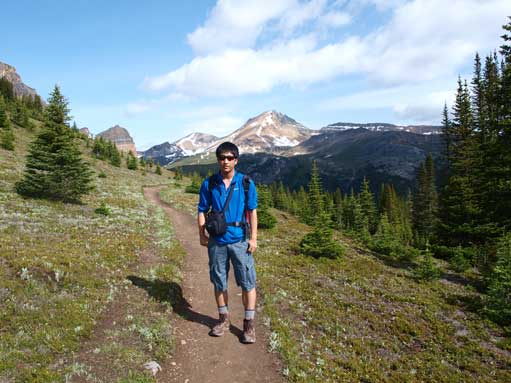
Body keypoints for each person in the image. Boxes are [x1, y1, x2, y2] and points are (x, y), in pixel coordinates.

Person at [197, 142, 258, 344]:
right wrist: (201, 234)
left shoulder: (246, 183)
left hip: (240, 240)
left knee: (248, 282)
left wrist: (254, 238)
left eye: (230, 158)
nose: (226, 161)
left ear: (236, 160)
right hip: (217, 241)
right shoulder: (209, 183)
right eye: (222, 157)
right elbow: (201, 209)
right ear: (218, 160)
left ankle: (249, 325)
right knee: (219, 281)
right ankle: (223, 319)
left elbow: (252, 212)